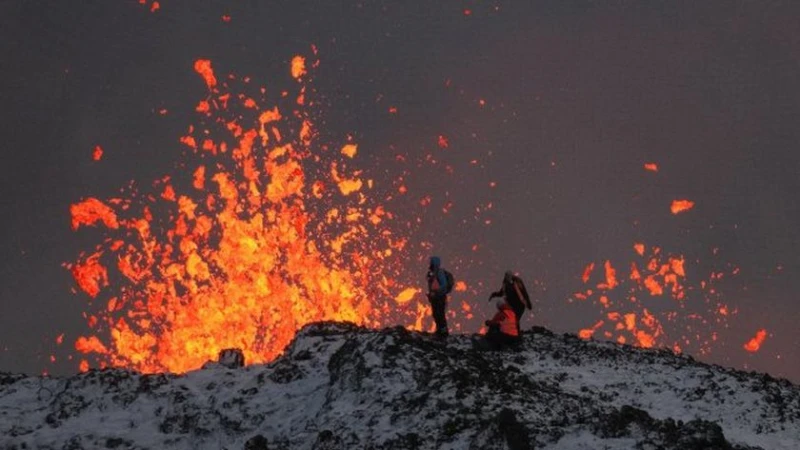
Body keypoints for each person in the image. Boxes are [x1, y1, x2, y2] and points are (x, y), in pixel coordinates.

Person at [426, 256, 450, 337]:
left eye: (431, 262)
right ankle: (439, 330)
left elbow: (444, 285)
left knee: (440, 313)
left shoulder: (439, 272)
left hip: (440, 297)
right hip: (435, 297)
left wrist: (436, 291)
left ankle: (443, 332)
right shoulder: (432, 273)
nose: (430, 264)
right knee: (436, 313)